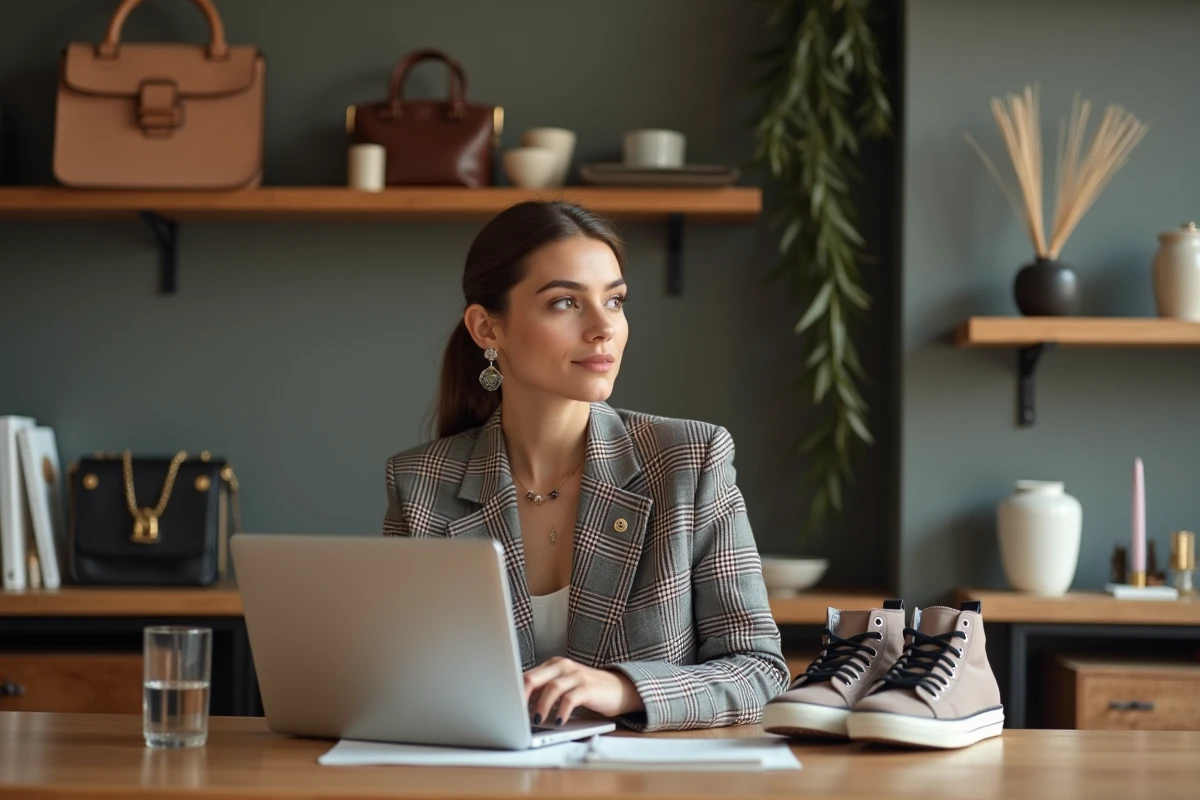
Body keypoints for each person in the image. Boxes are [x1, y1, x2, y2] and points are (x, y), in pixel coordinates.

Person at [382, 200, 788, 732]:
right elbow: (395, 679)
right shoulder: (420, 486)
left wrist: (622, 688)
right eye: (565, 303)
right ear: (486, 328)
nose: (603, 328)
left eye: (615, 301)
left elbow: (760, 671)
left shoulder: (690, 460)